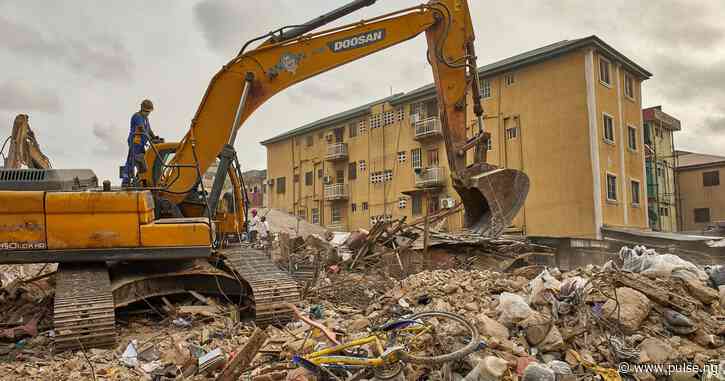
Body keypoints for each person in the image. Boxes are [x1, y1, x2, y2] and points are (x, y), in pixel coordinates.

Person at [122, 99, 159, 186]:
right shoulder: (137, 116)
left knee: (142, 162)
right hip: (135, 142)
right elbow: (142, 128)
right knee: (131, 161)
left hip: (141, 143)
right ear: (142, 109)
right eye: (146, 111)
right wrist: (150, 138)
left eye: (149, 112)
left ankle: (138, 179)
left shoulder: (146, 118)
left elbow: (149, 130)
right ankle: (125, 181)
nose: (147, 113)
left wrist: (154, 137)